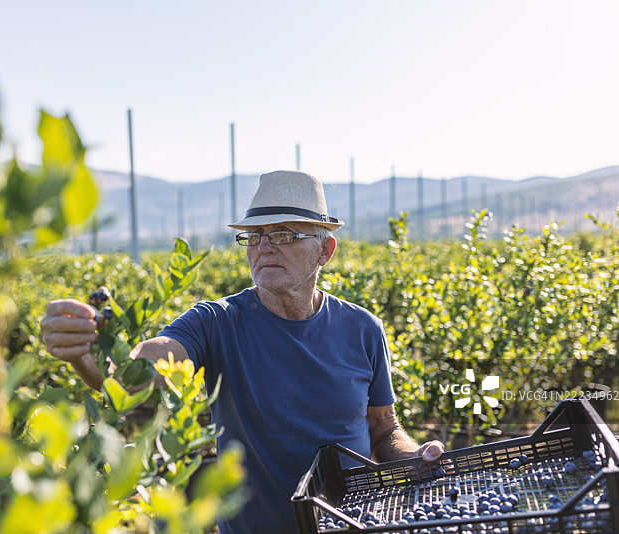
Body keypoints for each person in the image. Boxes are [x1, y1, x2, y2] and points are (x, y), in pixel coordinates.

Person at [41, 170, 444, 534]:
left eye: (284, 235)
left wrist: (414, 456)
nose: (264, 247)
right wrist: (88, 355)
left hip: (353, 524)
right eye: (254, 236)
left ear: (325, 251)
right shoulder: (216, 322)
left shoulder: (362, 329)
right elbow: (141, 372)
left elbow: (384, 429)